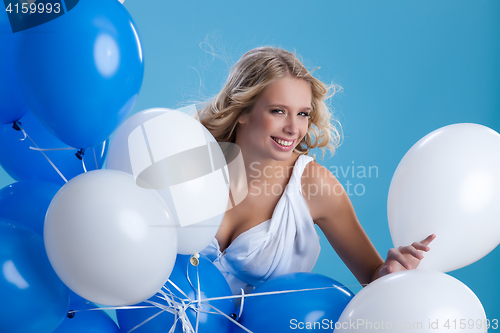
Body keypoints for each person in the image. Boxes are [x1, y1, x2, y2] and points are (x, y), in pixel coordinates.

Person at [197, 46, 435, 298]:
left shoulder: (314, 185)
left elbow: (373, 276)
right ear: (242, 110)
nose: (293, 128)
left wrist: (390, 270)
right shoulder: (195, 161)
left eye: (302, 114)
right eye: (278, 111)